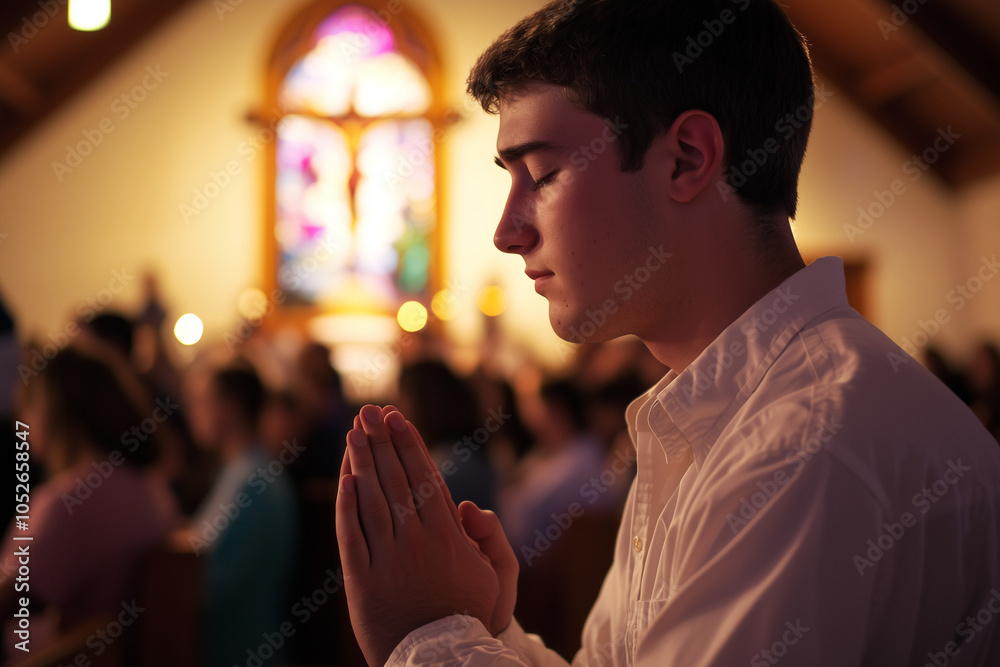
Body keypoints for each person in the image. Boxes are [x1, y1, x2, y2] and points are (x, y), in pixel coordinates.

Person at [334, 1, 1000, 665]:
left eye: (542, 174)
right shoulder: (709, 416)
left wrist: (429, 638)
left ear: (687, 158)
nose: (508, 232)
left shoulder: (808, 437)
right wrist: (483, 626)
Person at [0, 346, 178, 662]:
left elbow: (7, 600)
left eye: (28, 406)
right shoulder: (152, 489)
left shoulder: (69, 501)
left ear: (56, 410)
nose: (20, 421)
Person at [183, 364, 297, 667]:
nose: (192, 410)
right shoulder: (240, 471)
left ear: (231, 407)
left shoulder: (252, 482)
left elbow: (207, 584)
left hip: (240, 651)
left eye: (201, 399)